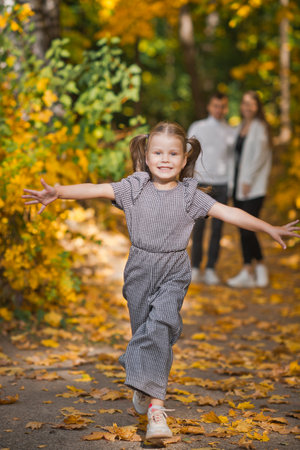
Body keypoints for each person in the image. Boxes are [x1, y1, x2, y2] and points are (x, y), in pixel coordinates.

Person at [22, 121, 298, 444]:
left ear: (183, 160)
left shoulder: (190, 196)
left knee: (161, 327)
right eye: (158, 152)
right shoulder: (133, 188)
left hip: (174, 270)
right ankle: (144, 383)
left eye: (173, 153)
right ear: (147, 154)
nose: (165, 159)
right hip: (139, 270)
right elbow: (96, 189)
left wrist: (269, 228)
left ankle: (156, 412)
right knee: (147, 333)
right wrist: (59, 193)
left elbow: (230, 213)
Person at [227, 91, 273, 288]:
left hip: (253, 187)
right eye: (244, 103)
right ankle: (247, 270)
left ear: (257, 107)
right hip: (238, 185)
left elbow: (260, 157)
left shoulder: (260, 128)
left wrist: (248, 180)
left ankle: (260, 266)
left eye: (251, 104)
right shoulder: (239, 128)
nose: (247, 107)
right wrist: (234, 182)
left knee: (249, 228)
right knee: (241, 227)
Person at [188, 92, 233, 285]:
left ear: (226, 108)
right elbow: (189, 156)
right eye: (215, 105)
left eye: (222, 106)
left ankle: (211, 269)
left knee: (217, 229)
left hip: (222, 184)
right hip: (200, 184)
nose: (218, 110)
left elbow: (232, 161)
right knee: (197, 228)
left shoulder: (231, 131)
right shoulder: (198, 127)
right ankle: (196, 267)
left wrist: (230, 185)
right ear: (209, 106)